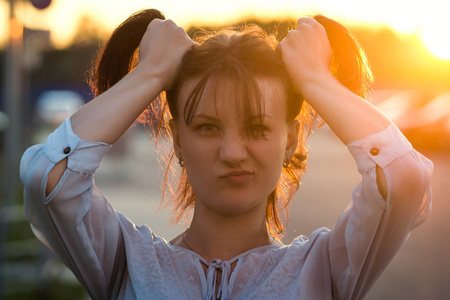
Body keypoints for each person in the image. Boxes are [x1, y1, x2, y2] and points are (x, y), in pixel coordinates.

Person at [20, 8, 433, 300]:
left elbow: (402, 178)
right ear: (177, 141)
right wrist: (150, 74)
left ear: (291, 140)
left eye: (257, 127)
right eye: (206, 127)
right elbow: (49, 177)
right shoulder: (125, 260)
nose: (233, 152)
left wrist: (314, 79)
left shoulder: (326, 269)